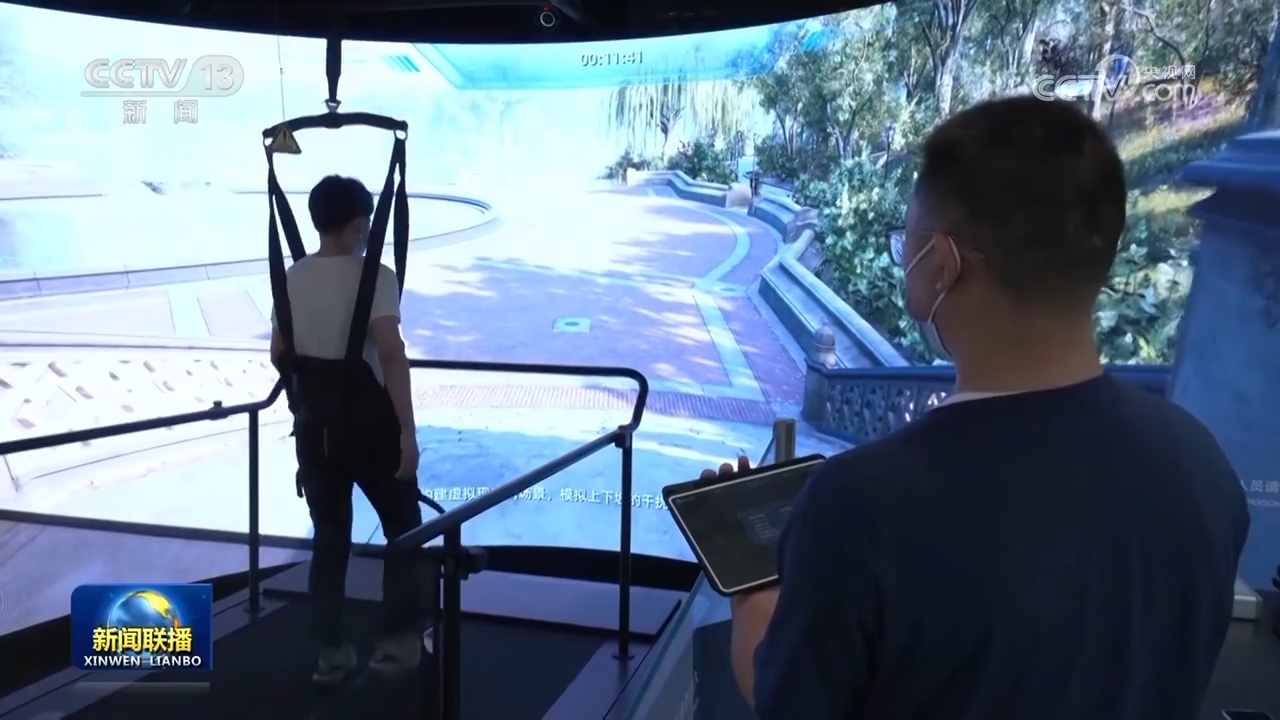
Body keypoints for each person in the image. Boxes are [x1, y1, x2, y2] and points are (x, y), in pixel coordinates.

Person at [708, 97, 1250, 719]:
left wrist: (752, 592)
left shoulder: (864, 505)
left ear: (941, 264)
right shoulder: (1200, 463)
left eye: (905, 245)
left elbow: (787, 702)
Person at [269, 175, 424, 685]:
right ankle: (397, 643)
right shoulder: (375, 276)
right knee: (405, 529)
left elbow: (279, 353)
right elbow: (391, 353)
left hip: (316, 432)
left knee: (330, 539)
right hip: (371, 430)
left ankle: (330, 654)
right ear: (360, 223)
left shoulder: (291, 278)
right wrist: (407, 433)